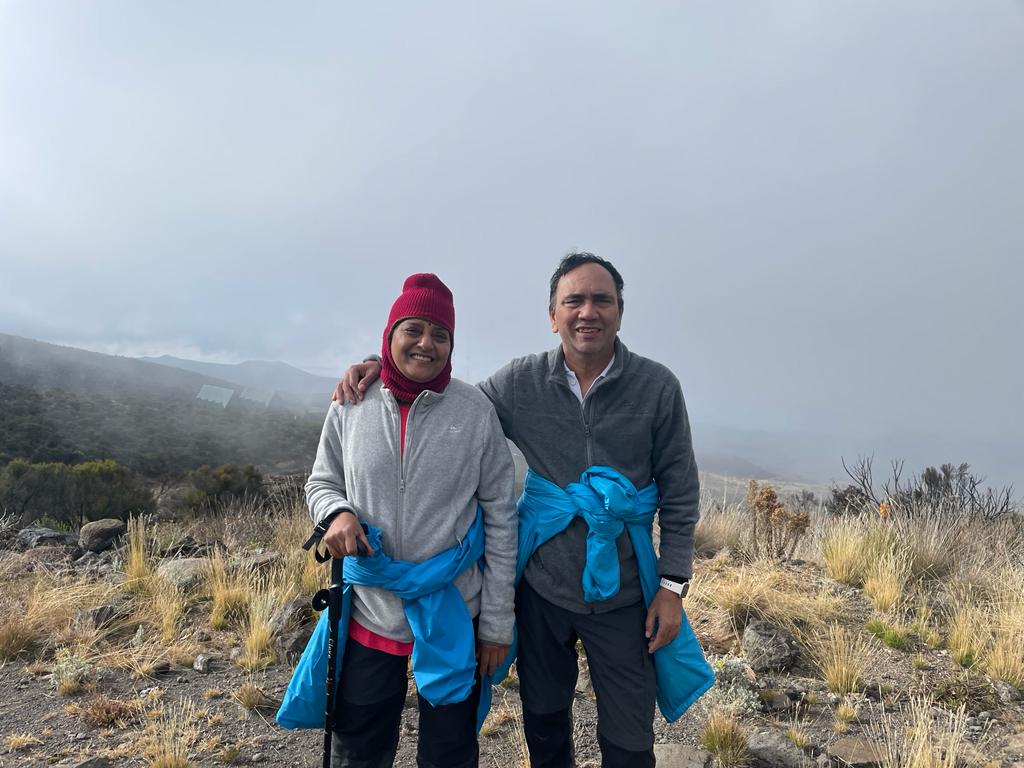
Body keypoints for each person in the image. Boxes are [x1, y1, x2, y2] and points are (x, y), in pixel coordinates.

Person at [336, 253, 707, 768]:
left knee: (628, 739)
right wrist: (384, 367)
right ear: (552, 315)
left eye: (602, 300)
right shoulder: (521, 382)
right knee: (545, 721)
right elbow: (444, 396)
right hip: (542, 589)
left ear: (620, 311)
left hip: (625, 593)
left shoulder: (657, 387)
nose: (587, 312)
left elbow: (681, 493)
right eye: (572, 300)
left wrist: (672, 587)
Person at [308, 273, 517, 768]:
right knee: (357, 750)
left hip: (453, 609)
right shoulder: (351, 402)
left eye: (440, 334)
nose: (426, 343)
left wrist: (495, 623)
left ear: (452, 345)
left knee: (449, 753)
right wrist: (336, 512)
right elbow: (321, 481)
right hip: (369, 609)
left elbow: (501, 519)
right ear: (390, 334)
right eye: (413, 329)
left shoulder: (475, 412)